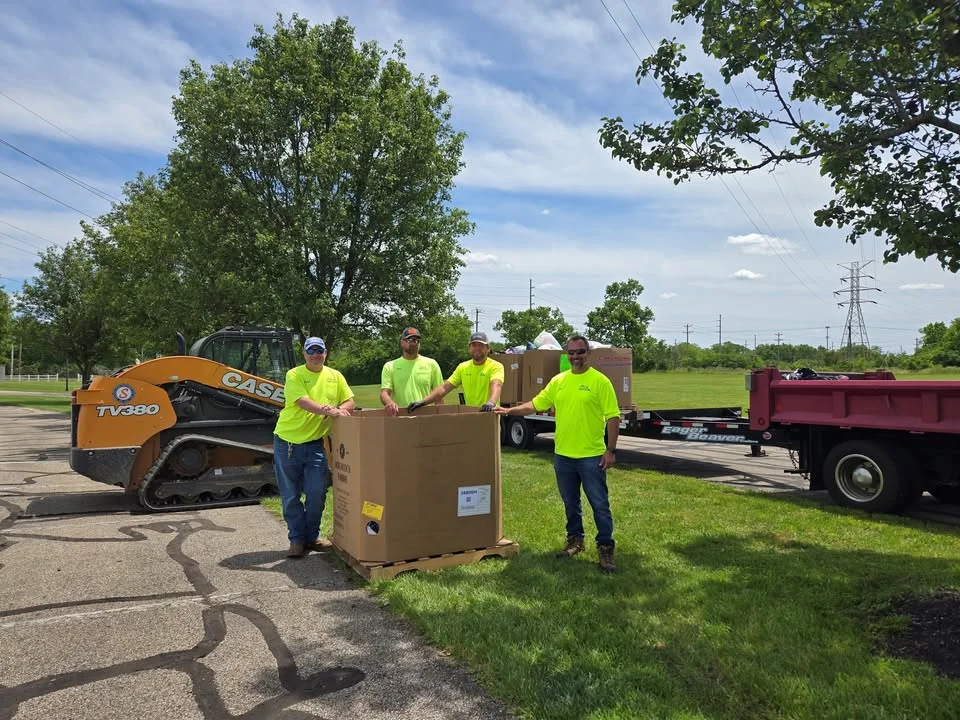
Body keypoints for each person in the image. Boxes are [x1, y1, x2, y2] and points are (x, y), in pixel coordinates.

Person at [495, 334, 620, 573]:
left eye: (580, 352)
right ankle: (575, 541)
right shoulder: (559, 381)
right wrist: (508, 411)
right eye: (571, 353)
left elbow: (613, 417)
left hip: (591, 456)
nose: (575, 356)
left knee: (599, 505)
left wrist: (610, 450)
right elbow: (535, 404)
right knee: (570, 503)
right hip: (563, 456)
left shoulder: (600, 381)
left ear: (588, 353)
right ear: (566, 355)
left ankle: (605, 548)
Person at [273, 336, 355, 558]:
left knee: (317, 492)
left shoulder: (335, 376)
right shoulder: (294, 374)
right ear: (304, 354)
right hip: (288, 443)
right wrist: (329, 411)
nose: (316, 355)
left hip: (315, 445)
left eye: (320, 351)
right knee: (291, 495)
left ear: (325, 353)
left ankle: (312, 537)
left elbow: (350, 401)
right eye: (311, 351)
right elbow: (303, 402)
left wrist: (341, 408)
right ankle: (297, 540)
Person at [409, 332, 504, 412]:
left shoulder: (496, 366)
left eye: (481, 345)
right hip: (471, 414)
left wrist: (491, 402)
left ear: (487, 348)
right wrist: (423, 402)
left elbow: (496, 385)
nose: (477, 348)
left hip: (489, 414)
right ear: (469, 348)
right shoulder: (463, 367)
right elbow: (444, 388)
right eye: (474, 345)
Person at [380, 327, 444, 416]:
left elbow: (439, 394)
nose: (414, 343)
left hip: (426, 417)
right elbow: (384, 393)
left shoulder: (431, 364)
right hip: (401, 416)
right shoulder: (390, 366)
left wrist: (440, 416)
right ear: (402, 342)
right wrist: (390, 403)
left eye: (417, 340)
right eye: (410, 340)